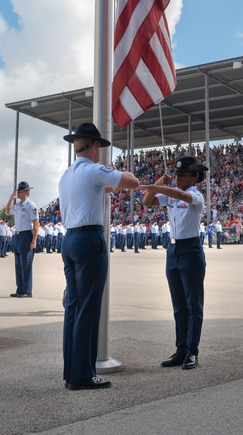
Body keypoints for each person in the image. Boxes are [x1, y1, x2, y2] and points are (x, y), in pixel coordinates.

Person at [58, 122, 139, 391]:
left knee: (74, 307)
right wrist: (118, 172)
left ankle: (72, 370)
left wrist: (109, 184)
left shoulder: (68, 174)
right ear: (93, 147)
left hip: (69, 240)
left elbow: (100, 190)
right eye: (99, 148)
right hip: (89, 240)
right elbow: (132, 182)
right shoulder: (94, 170)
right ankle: (83, 374)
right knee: (89, 310)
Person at [141, 156, 208, 371]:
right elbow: (147, 201)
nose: (178, 177)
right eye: (177, 174)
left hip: (191, 249)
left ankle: (192, 351)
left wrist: (159, 187)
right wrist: (159, 183)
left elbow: (180, 195)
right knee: (179, 306)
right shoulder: (170, 195)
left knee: (193, 305)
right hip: (173, 249)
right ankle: (180, 350)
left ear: (194, 177)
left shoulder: (196, 196)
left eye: (183, 174)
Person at [7, 181, 39, 298]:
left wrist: (34, 240)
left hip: (26, 235)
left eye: (20, 191)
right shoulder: (17, 206)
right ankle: (20, 289)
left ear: (26, 192)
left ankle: (27, 290)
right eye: (17, 191)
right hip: (17, 235)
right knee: (18, 264)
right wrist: (10, 199)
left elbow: (36, 224)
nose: (18, 193)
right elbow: (7, 212)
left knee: (26, 263)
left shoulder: (31, 205)